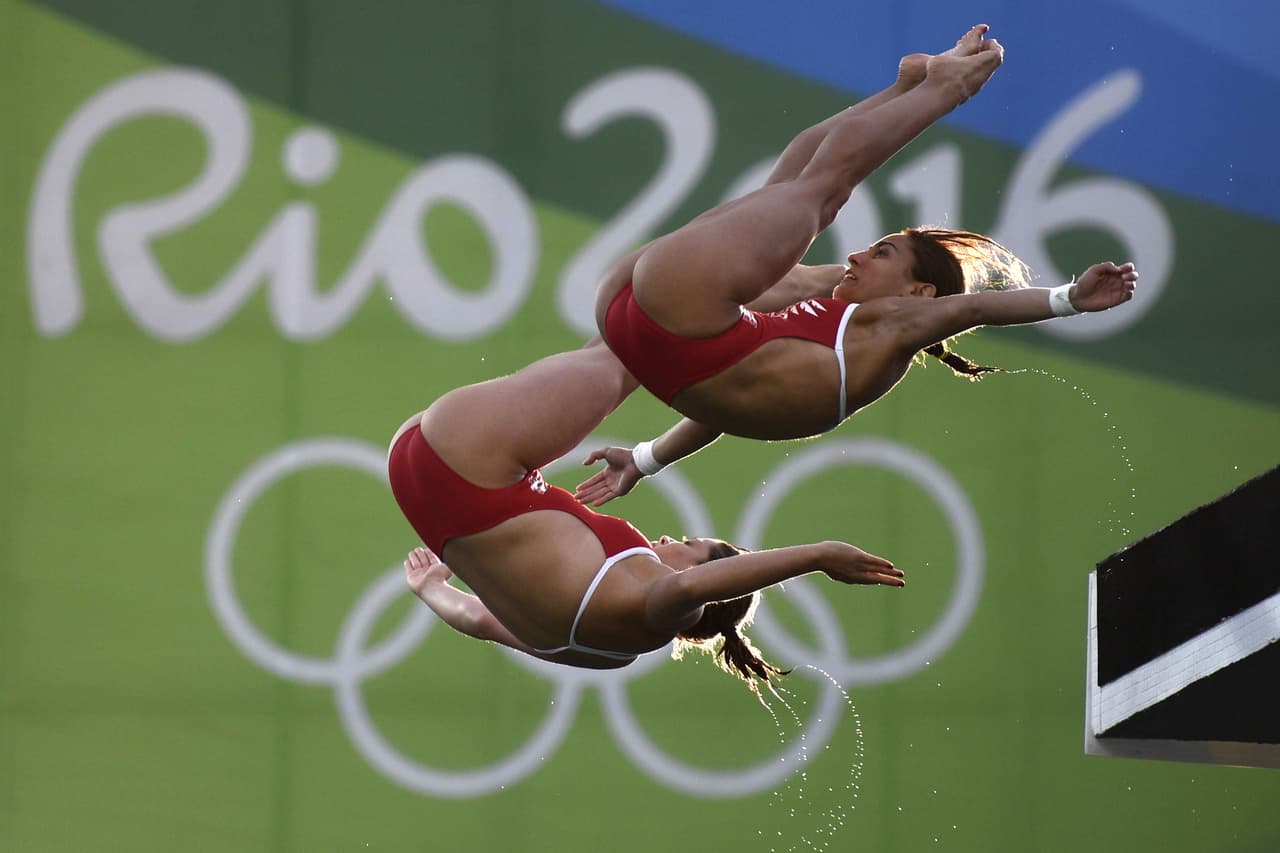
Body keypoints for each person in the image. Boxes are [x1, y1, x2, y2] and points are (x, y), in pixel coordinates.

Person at [576, 25, 1138, 507]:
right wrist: (646, 461)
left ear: (918, 294)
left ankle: (945, 89)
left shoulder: (891, 329)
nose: (856, 255)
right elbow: (730, 402)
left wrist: (1067, 299)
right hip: (645, 325)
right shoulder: (829, 313)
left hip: (647, 315)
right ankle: (907, 87)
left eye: (881, 253)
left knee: (820, 194)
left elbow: (975, 305)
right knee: (797, 188)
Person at [388, 339, 904, 689]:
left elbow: (689, 591)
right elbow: (478, 619)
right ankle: (779, 280)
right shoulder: (604, 656)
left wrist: (818, 554)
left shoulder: (663, 612)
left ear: (704, 578)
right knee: (623, 343)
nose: (665, 538)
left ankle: (791, 287)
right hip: (412, 478)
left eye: (685, 542)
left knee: (640, 343)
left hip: (468, 461)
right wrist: (430, 587)